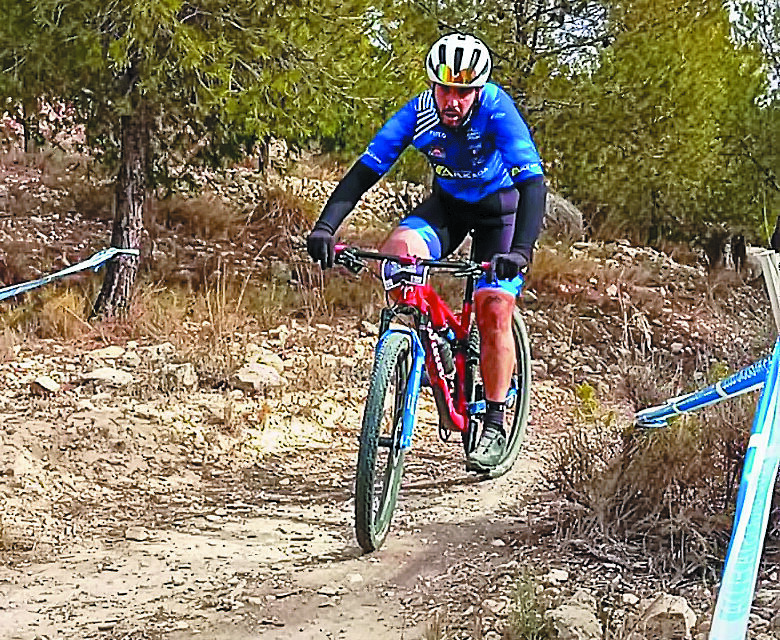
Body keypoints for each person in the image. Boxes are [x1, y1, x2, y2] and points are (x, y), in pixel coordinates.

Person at [306, 33, 546, 472]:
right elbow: (365, 172)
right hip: (449, 209)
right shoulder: (417, 113)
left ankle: (493, 420)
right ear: (432, 86)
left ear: (478, 90)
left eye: (463, 91)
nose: (452, 101)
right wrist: (325, 227)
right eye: (445, 89)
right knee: (398, 254)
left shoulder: (496, 110)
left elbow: (533, 184)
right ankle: (414, 352)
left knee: (493, 306)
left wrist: (522, 252)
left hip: (501, 213)